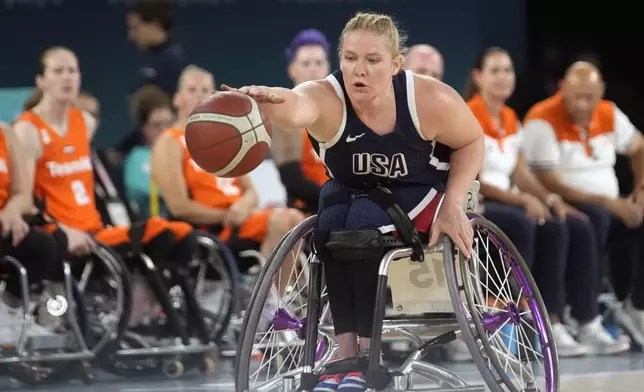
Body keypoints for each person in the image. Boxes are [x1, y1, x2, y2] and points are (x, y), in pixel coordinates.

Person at [223, 12, 483, 391]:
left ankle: (369, 357)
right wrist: (267, 100)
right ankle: (345, 356)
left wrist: (455, 203)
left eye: (372, 60)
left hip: (425, 189)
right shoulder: (327, 96)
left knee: (360, 219)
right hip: (359, 193)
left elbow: (472, 141)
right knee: (330, 213)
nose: (358, 70)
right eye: (349, 57)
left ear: (396, 64)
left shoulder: (429, 98)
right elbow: (297, 106)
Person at [13, 47, 198, 324]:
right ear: (41, 81)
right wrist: (64, 230)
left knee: (179, 235)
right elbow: (25, 200)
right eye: (58, 71)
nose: (67, 78)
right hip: (57, 231)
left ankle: (139, 306)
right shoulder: (27, 130)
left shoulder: (84, 123)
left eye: (72, 71)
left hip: (97, 231)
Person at [465, 47, 628, 356]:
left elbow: (521, 172)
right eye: (495, 70)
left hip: (510, 201)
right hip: (480, 203)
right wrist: (521, 199)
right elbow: (472, 177)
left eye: (508, 70)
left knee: (567, 224)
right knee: (525, 222)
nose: (503, 77)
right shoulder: (470, 113)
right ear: (478, 77)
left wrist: (552, 199)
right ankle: (519, 317)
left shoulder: (510, 117)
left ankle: (573, 320)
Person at [150, 65, 304, 292]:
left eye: (205, 90)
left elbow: (252, 192)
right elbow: (178, 206)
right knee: (284, 221)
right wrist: (226, 215)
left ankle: (279, 298)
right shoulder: (170, 141)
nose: (199, 95)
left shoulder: (223, 138)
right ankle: (266, 302)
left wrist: (242, 206)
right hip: (210, 230)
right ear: (177, 98)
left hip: (240, 220)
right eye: (192, 89)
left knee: (295, 220)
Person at [521, 61, 644, 340]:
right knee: (593, 219)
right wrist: (608, 202)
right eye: (576, 96)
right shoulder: (542, 118)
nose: (582, 104)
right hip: (567, 200)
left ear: (601, 91)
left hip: (609, 202)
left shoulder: (609, 112)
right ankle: (583, 315)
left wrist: (640, 188)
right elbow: (548, 180)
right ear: (562, 88)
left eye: (590, 97)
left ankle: (638, 305)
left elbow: (638, 147)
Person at [0, 121, 67, 342]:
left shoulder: (5, 133)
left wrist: (12, 211)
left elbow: (22, 194)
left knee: (45, 243)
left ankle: (10, 314)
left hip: (3, 226)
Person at [117, 0, 187, 161]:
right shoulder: (155, 59)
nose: (131, 35)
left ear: (154, 25)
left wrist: (123, 150)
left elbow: (161, 116)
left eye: (136, 27)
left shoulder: (171, 62)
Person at [271, 29, 331, 213]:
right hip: (309, 210)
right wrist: (340, 200)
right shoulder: (284, 116)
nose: (313, 69)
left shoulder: (343, 111)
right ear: (292, 69)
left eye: (319, 63)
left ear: (328, 67)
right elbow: (293, 182)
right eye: (306, 63)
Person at [123, 85, 175, 217]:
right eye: (156, 125)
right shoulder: (137, 157)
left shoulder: (185, 153)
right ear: (143, 128)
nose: (165, 131)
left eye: (169, 123)